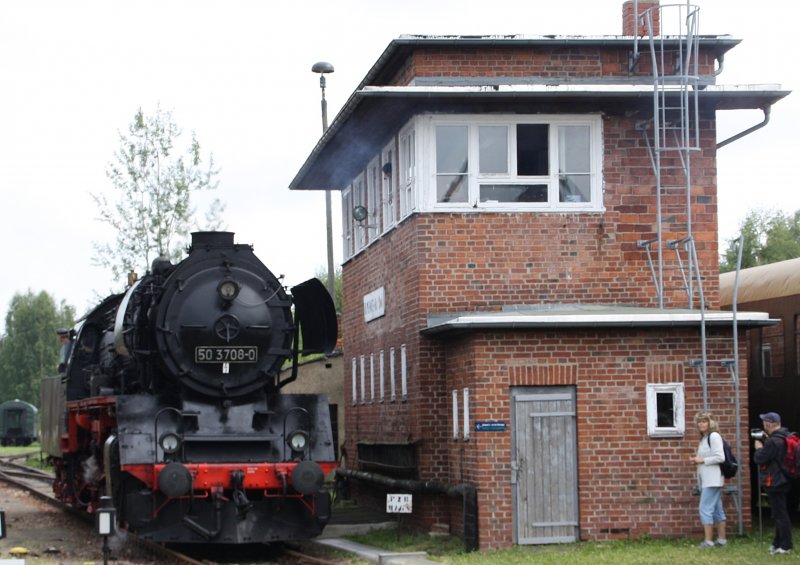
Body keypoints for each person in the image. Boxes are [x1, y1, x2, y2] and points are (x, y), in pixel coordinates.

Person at [753, 411, 794, 555]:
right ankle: (777, 543)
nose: (763, 425)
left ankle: (786, 545)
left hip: (775, 481)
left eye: (765, 422)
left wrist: (759, 448)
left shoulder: (772, 441)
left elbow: (760, 458)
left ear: (769, 424)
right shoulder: (785, 437)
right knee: (779, 513)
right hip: (785, 479)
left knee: (780, 514)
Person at [690, 412, 727, 548]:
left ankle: (708, 541)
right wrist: (697, 461)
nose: (701, 424)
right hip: (707, 478)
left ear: (710, 423)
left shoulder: (714, 436)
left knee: (705, 508)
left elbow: (720, 457)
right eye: (699, 422)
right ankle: (722, 540)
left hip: (713, 478)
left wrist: (702, 460)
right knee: (717, 509)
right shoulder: (704, 438)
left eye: (704, 421)